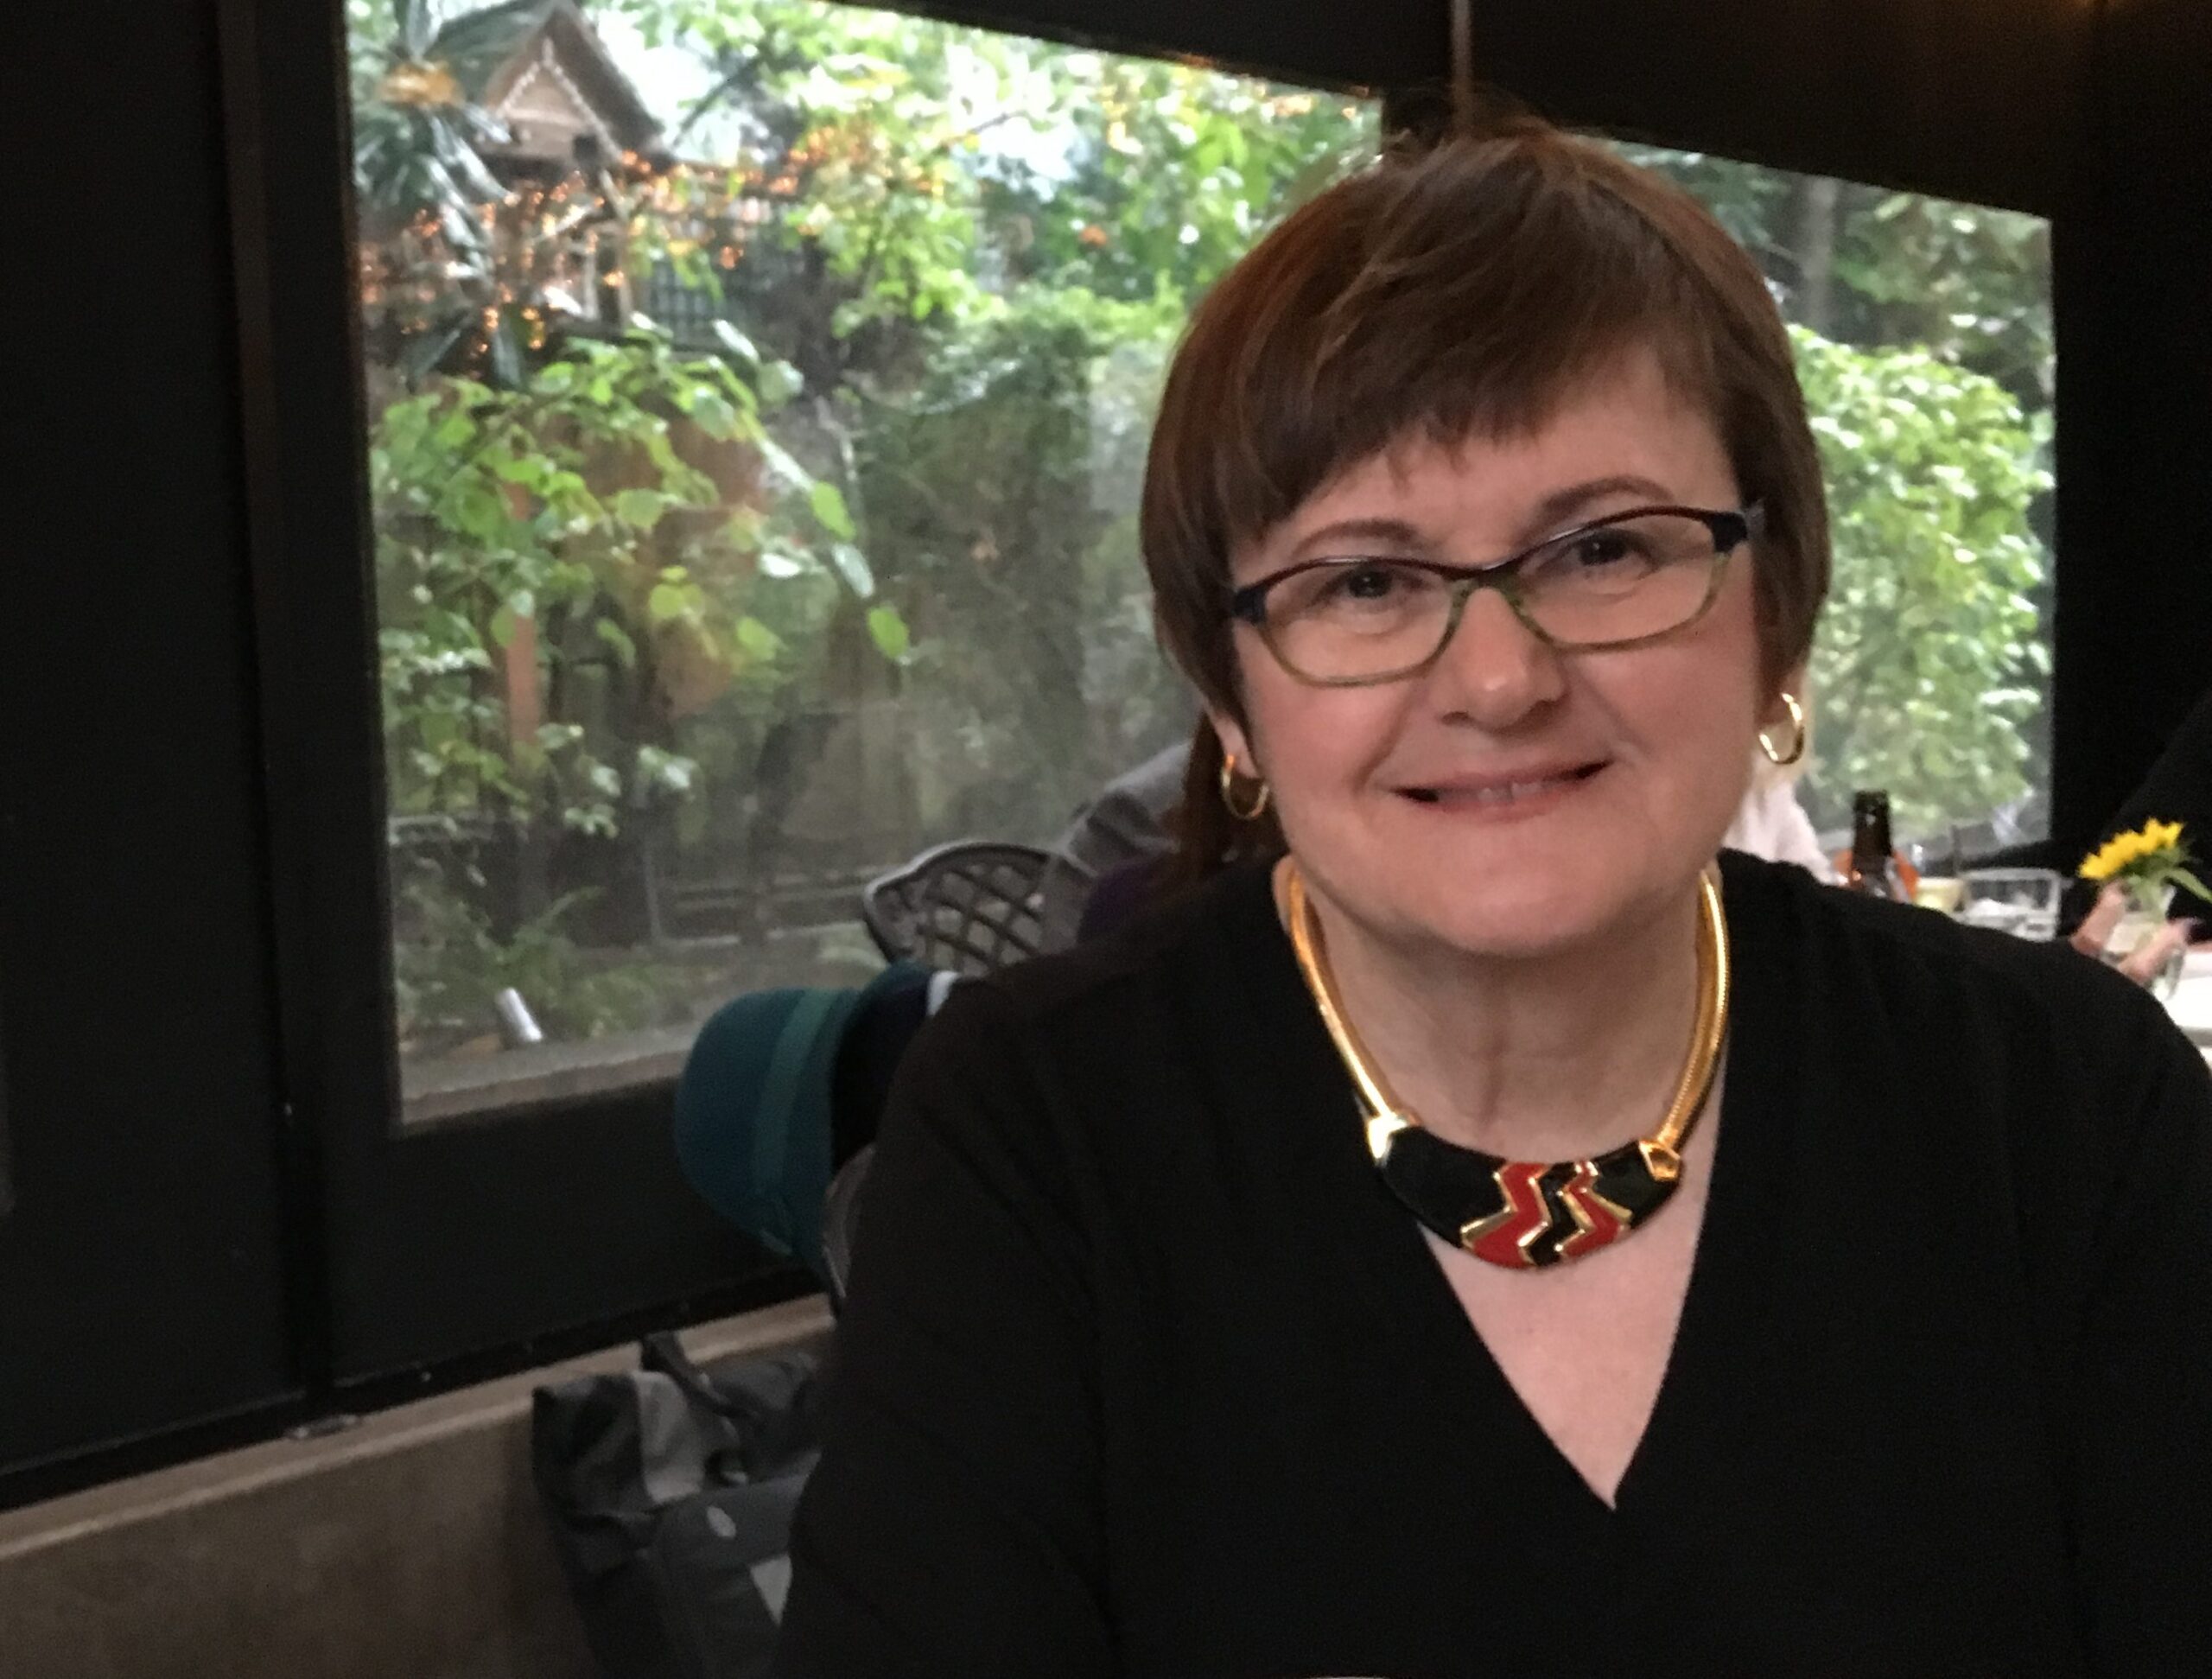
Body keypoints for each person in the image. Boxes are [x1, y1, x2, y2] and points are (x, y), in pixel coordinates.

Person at [775, 124, 2212, 1673]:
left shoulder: (2066, 1104)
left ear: (1772, 615)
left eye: (1604, 549)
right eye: (1366, 583)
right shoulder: (1037, 1133)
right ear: (1233, 696)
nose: (1503, 677)